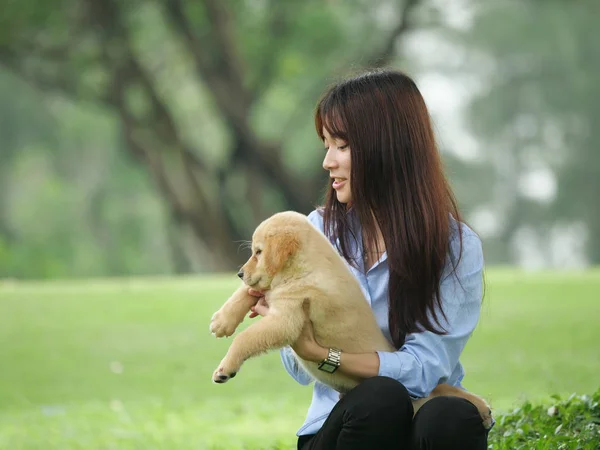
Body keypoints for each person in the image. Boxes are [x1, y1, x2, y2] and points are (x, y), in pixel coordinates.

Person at [248, 69, 490, 450]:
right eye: (326, 144)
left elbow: (425, 370)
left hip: (420, 417)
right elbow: (297, 369)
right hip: (343, 429)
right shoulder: (315, 233)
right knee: (380, 399)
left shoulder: (456, 246)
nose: (327, 161)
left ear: (388, 148)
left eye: (341, 146)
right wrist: (289, 326)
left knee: (453, 415)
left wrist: (323, 353)